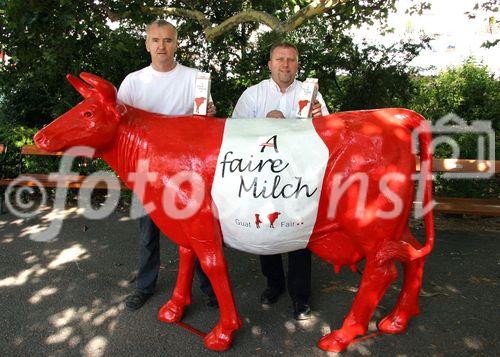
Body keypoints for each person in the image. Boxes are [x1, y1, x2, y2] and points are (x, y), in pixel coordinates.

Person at [118, 19, 216, 311]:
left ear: (176, 44)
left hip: (186, 169)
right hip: (147, 170)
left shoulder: (195, 78)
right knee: (148, 232)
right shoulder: (133, 82)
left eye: (168, 40)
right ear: (147, 44)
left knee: (195, 231)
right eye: (156, 40)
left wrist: (209, 112)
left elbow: (204, 122)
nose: (162, 46)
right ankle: (145, 286)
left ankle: (209, 286)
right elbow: (121, 125)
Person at [232, 42, 329, 320]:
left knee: (299, 233)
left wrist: (319, 120)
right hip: (263, 178)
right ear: (270, 64)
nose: (286, 65)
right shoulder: (253, 95)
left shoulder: (310, 94)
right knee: (267, 229)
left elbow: (328, 134)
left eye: (291, 60)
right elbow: (235, 134)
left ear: (297, 64)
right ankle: (274, 284)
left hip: (300, 176)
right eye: (280, 59)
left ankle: (300, 297)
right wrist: (265, 122)